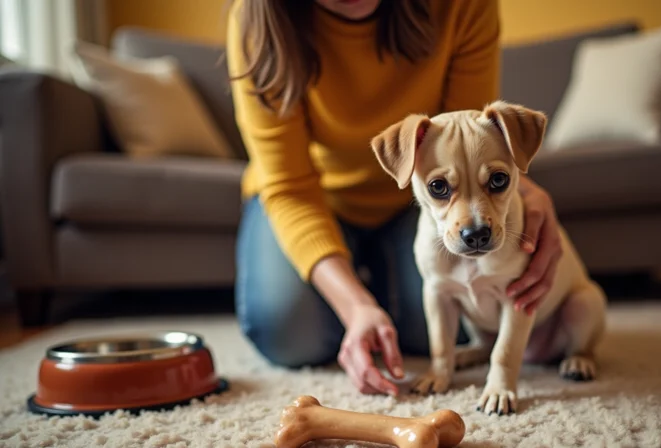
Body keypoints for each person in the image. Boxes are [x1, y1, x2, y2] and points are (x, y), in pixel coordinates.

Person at [226, 0, 563, 397]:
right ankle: (368, 287)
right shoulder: (258, 20)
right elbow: (289, 186)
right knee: (288, 335)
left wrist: (524, 189)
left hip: (417, 207)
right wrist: (356, 307)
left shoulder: (461, 6)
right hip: (312, 199)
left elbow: (471, 139)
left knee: (439, 324)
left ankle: (381, 282)